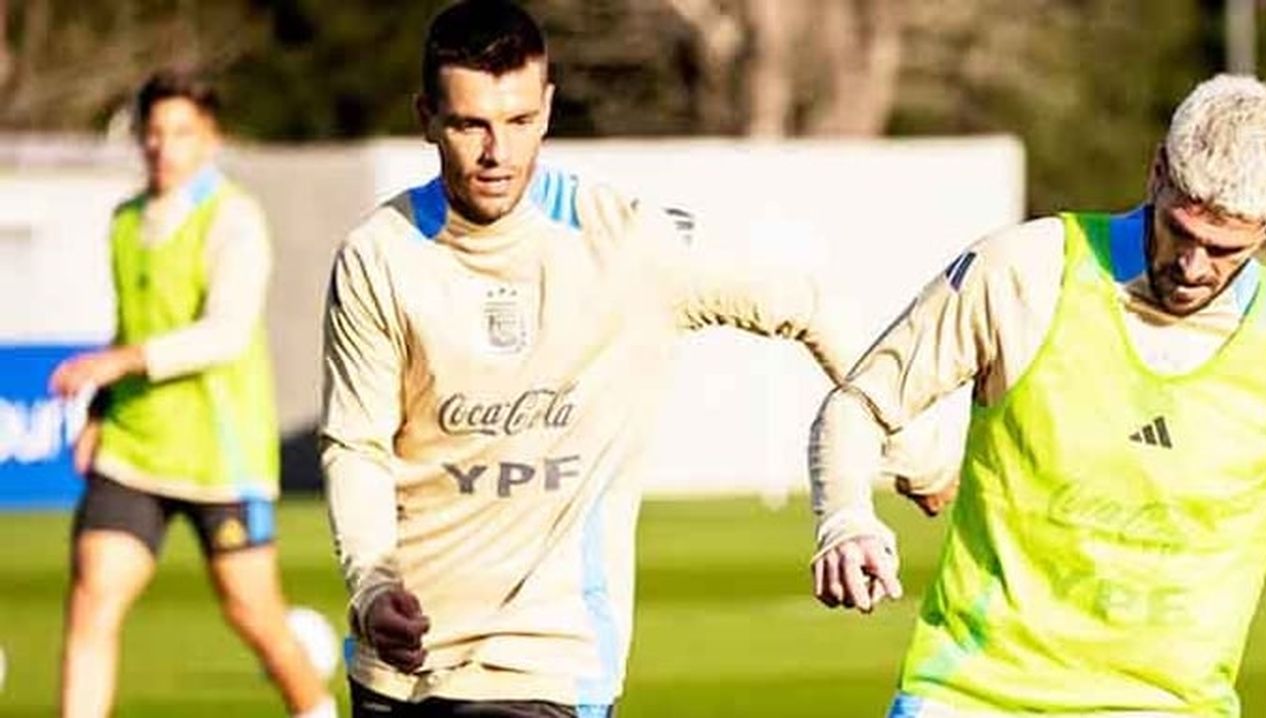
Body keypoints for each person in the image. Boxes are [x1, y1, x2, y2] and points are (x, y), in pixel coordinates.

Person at [319, 2, 940, 715]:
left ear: (548, 109)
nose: (499, 153)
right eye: (471, 125)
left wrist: (915, 448)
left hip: (544, 664)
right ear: (428, 118)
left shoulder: (623, 242)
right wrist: (371, 583)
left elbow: (808, 303)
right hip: (396, 663)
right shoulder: (380, 254)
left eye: (519, 122)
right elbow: (357, 444)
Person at [809, 74, 1266, 718]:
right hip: (973, 699)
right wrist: (845, 518)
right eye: (1181, 230)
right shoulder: (1025, 272)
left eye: (1223, 248)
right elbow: (860, 405)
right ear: (1157, 172)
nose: (1192, 266)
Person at [47, 71, 334, 717]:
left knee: (252, 612)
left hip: (219, 452)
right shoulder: (125, 220)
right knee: (93, 598)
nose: (163, 146)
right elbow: (132, 322)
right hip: (135, 445)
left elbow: (225, 335)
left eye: (180, 132)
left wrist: (116, 362)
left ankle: (315, 709)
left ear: (210, 139)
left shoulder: (233, 217)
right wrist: (99, 410)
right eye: (153, 132)